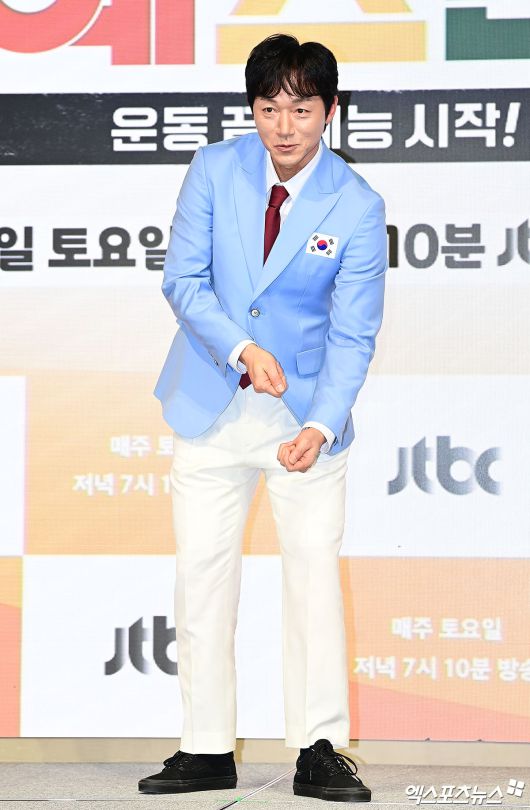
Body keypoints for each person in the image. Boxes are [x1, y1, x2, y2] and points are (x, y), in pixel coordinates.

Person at [139, 33, 387, 803]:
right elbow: (183, 279)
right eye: (269, 108)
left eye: (301, 110)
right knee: (202, 578)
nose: (284, 126)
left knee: (312, 581)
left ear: (329, 110)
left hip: (303, 420)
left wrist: (321, 424)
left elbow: (353, 333)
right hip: (211, 405)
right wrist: (243, 348)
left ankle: (319, 747)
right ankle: (206, 747)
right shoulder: (215, 169)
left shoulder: (357, 205)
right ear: (252, 108)